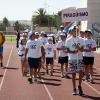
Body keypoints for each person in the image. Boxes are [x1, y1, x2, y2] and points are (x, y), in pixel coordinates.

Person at [65, 26, 84, 95]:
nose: (75, 31)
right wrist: (73, 52)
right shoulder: (68, 40)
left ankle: (79, 86)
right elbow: (67, 50)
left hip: (79, 58)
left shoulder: (81, 39)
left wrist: (78, 48)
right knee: (73, 74)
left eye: (76, 30)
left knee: (80, 72)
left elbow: (82, 50)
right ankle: (74, 88)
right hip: (72, 58)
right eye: (73, 30)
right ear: (71, 31)